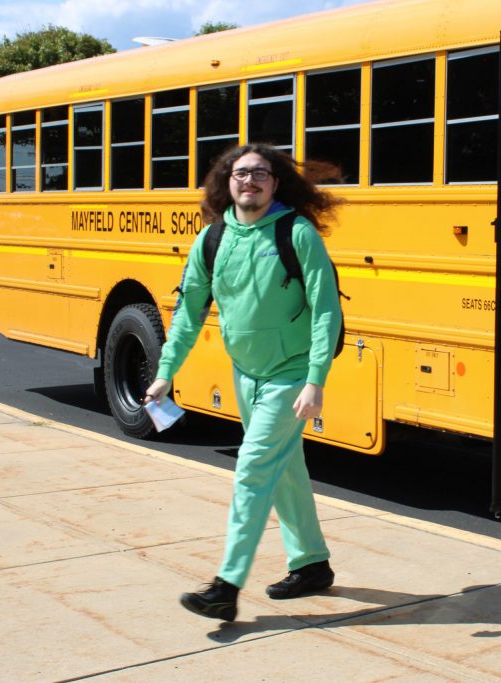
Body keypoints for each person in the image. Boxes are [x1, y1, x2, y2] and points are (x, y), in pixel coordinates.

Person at [144, 143, 344, 621]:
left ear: (275, 183)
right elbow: (189, 312)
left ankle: (225, 586)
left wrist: (315, 379)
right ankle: (311, 564)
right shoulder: (212, 239)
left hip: (291, 374)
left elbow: (326, 311)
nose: (249, 181)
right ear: (226, 182)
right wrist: (166, 372)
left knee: (253, 471)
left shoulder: (297, 233)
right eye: (240, 173)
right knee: (285, 471)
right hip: (246, 374)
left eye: (260, 173)